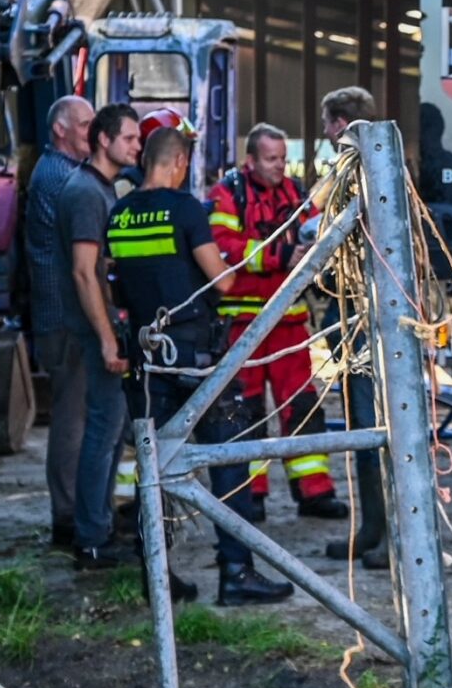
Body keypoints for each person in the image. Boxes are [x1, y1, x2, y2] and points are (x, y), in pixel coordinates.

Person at [107, 128, 294, 606]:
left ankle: (156, 578)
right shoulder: (187, 209)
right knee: (228, 458)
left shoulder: (120, 214)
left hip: (147, 362)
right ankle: (236, 572)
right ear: (180, 162)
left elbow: (116, 286)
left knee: (153, 468)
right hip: (195, 359)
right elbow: (224, 282)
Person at [208, 124, 344, 519]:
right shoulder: (227, 194)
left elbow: (319, 233)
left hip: (288, 322)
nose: (280, 166)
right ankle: (250, 497)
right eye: (271, 159)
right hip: (243, 326)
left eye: (283, 158)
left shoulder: (296, 194)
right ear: (250, 160)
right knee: (245, 412)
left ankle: (315, 492)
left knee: (303, 407)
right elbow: (223, 248)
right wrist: (280, 256)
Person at [24, 97, 117, 557]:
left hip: (62, 314)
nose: (92, 130)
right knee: (74, 418)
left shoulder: (58, 172)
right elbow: (85, 266)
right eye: (84, 125)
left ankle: (79, 511)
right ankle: (68, 515)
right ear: (61, 130)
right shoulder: (66, 180)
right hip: (65, 317)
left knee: (80, 415)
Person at [314, 87, 389, 566]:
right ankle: (372, 529)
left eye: (327, 125)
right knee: (364, 431)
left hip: (372, 320)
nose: (324, 134)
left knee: (378, 431)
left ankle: (390, 538)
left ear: (342, 124)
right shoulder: (360, 174)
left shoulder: (373, 177)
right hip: (354, 317)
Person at [63, 103, 141, 560]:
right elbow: (83, 272)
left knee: (112, 430)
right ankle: (92, 538)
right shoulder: (87, 194)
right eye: (129, 138)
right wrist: (108, 337)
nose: (137, 145)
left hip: (107, 326)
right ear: (103, 139)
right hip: (96, 332)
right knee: (102, 429)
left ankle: (101, 526)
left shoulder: (104, 189)